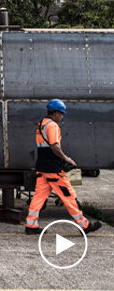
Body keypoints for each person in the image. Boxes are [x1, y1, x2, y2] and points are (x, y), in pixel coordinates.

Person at [25, 98, 101, 235]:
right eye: (61, 114)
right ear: (55, 113)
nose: (62, 117)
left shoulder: (41, 124)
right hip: (53, 169)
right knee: (69, 196)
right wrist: (67, 159)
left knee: (38, 197)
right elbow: (54, 146)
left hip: (42, 167)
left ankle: (31, 225)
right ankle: (85, 225)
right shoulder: (53, 126)